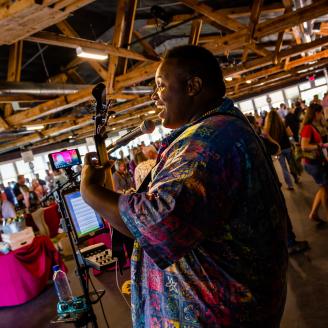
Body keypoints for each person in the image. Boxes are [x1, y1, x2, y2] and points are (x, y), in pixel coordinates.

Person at [81, 45, 288, 327]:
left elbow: (159, 224)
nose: (155, 96)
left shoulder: (210, 141)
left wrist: (90, 192)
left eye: (161, 86)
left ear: (193, 86)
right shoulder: (218, 129)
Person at [300, 103, 328, 223]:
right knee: (325, 188)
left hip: (316, 162)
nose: (321, 115)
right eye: (320, 113)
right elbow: (304, 146)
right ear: (315, 113)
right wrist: (320, 145)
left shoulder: (312, 126)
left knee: (324, 187)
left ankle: (314, 213)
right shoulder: (307, 128)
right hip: (313, 163)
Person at [263, 110, 300, 189]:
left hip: (278, 150)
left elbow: (265, 136)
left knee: (284, 168)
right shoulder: (283, 123)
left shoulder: (268, 128)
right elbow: (291, 134)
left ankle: (290, 185)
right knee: (291, 164)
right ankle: (296, 178)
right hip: (287, 147)